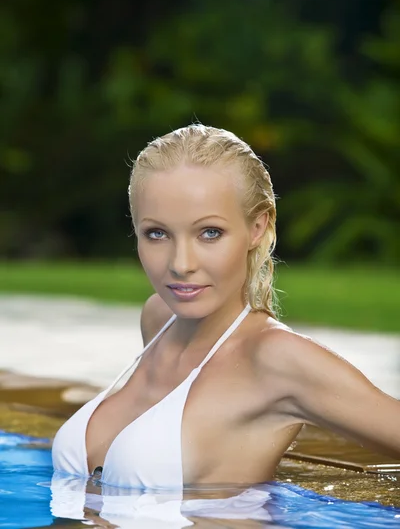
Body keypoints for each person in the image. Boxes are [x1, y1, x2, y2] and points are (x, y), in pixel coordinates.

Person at [52, 123, 400, 492]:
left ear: (256, 227)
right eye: (157, 233)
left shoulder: (275, 359)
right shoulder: (159, 319)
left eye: (209, 233)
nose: (180, 263)